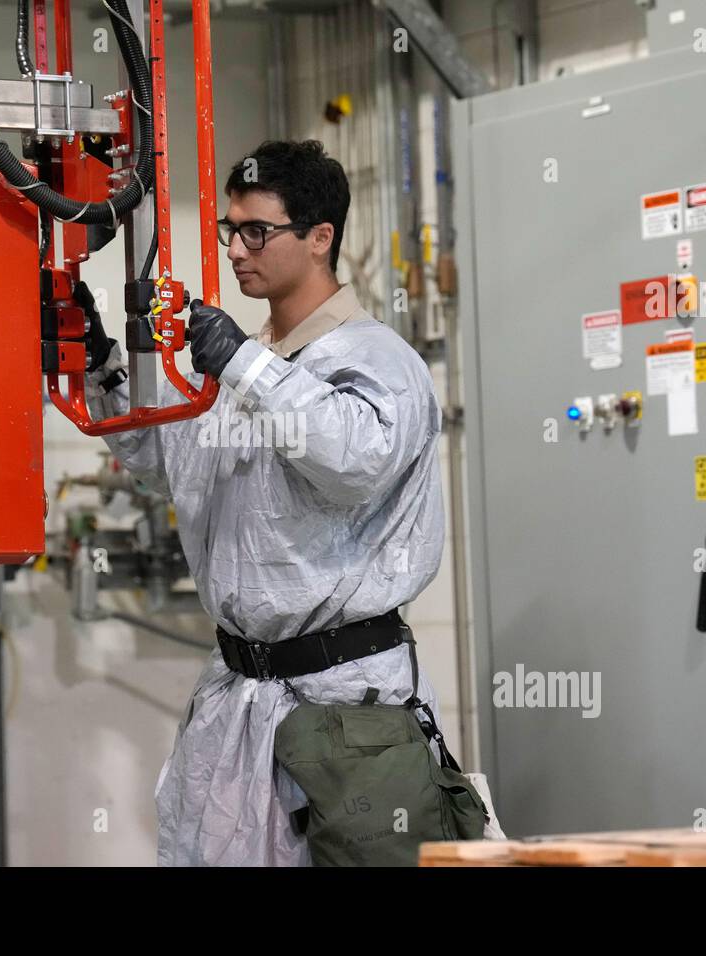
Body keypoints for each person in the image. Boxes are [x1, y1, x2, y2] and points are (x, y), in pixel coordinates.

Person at [82, 140, 470, 866]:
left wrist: (241, 363)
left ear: (320, 238)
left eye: (257, 230)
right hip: (241, 695)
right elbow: (168, 461)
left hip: (344, 706)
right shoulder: (245, 365)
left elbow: (354, 460)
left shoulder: (376, 360)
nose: (236, 248)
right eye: (231, 229)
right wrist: (97, 361)